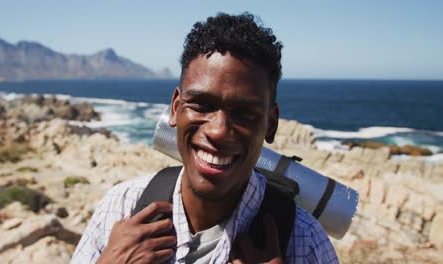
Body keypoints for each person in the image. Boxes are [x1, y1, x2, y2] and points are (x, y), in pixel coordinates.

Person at [71, 12, 339, 264]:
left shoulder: (304, 241)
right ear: (176, 107)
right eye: (201, 104)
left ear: (271, 123)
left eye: (244, 113)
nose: (218, 130)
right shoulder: (121, 208)